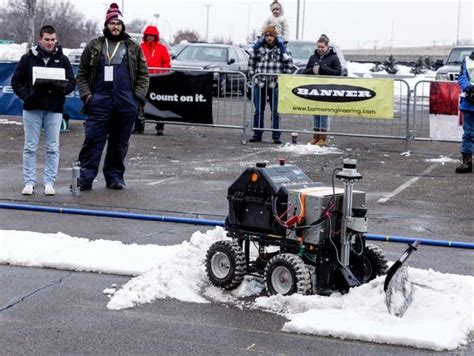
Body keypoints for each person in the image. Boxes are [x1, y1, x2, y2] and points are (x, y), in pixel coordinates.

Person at [76, 3, 149, 190]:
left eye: (118, 23)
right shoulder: (95, 46)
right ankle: (85, 178)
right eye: (112, 23)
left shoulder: (133, 47)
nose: (115, 26)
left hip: (125, 103)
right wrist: (87, 96)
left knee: (119, 143)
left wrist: (136, 100)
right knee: (92, 141)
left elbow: (143, 75)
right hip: (99, 101)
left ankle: (114, 177)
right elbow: (82, 74)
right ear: (106, 25)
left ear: (122, 26)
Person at [11, 25, 76, 196]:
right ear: (40, 39)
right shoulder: (27, 58)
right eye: (46, 39)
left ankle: (49, 182)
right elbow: (16, 82)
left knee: (53, 147)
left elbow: (72, 82)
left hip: (54, 109)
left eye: (53, 39)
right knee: (30, 147)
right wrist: (27, 96)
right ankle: (29, 182)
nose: (50, 43)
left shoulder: (63, 59)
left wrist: (62, 88)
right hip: (32, 108)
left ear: (56, 40)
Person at [248, 25, 293, 144]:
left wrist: (284, 79)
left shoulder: (283, 49)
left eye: (271, 35)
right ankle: (257, 134)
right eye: (267, 35)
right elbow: (251, 63)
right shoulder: (258, 48)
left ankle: (276, 136)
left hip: (276, 84)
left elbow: (289, 65)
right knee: (258, 110)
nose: (269, 38)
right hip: (260, 83)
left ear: (275, 37)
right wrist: (253, 76)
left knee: (275, 111)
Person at [303, 34, 342, 146]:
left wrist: (322, 69)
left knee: (324, 112)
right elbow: (305, 71)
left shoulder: (333, 57)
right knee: (315, 112)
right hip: (315, 88)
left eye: (322, 47)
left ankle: (323, 137)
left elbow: (338, 72)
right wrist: (312, 71)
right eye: (318, 47)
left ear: (327, 46)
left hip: (327, 89)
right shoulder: (313, 57)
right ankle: (315, 136)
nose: (320, 49)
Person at [133, 25, 171, 135]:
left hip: (158, 80)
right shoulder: (139, 48)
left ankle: (160, 127)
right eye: (148, 36)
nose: (150, 38)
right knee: (140, 102)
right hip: (142, 80)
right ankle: (139, 127)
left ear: (156, 37)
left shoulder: (162, 49)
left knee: (159, 103)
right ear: (145, 36)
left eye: (152, 36)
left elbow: (166, 64)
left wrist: (162, 74)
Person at [456, 51, 474, 173]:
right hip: (469, 102)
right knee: (468, 134)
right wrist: (469, 88)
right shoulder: (467, 60)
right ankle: (467, 163)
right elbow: (462, 77)